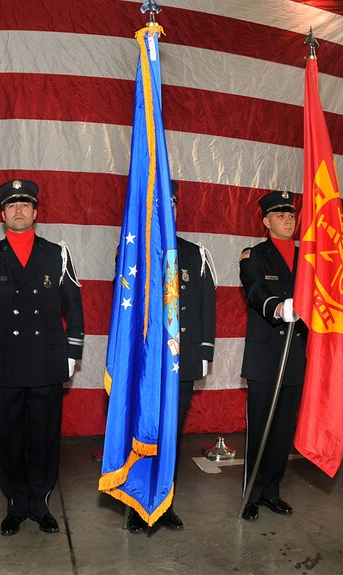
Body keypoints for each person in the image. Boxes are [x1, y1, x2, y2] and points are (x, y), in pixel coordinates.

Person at [0, 179, 84, 536]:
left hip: (46, 360)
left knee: (44, 435)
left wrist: (73, 352)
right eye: (11, 206)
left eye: (25, 205)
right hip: (5, 362)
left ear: (35, 212)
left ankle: (40, 500)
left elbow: (74, 308)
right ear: (3, 214)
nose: (18, 210)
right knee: (10, 436)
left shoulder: (57, 254)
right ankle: (16, 502)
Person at [128, 181, 217, 533]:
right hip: (146, 364)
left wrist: (204, 352)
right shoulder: (135, 251)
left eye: (172, 203)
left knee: (172, 435)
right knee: (142, 433)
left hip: (181, 363)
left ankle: (165, 502)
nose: (168, 209)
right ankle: (138, 504)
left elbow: (206, 307)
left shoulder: (196, 255)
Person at [238, 190, 307, 521]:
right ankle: (250, 493)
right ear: (266, 221)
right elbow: (254, 289)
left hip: (294, 356)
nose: (288, 220)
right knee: (261, 430)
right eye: (281, 216)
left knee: (282, 432)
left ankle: (271, 492)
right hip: (266, 358)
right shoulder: (254, 255)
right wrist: (278, 307)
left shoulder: (307, 257)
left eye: (291, 215)